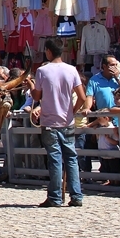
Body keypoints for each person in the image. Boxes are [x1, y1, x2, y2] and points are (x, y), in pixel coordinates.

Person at [25, 39, 90, 207]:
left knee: (54, 158)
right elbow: (82, 97)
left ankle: (54, 196)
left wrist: (31, 85)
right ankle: (76, 195)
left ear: (48, 51)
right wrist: (72, 111)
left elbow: (37, 97)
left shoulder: (42, 71)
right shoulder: (71, 70)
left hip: (49, 120)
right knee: (71, 158)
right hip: (66, 120)